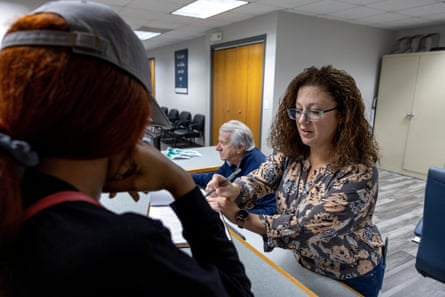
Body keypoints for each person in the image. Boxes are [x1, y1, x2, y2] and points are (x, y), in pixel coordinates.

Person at [0, 1, 253, 297]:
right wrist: (180, 183)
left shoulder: (15, 206)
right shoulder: (125, 248)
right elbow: (236, 291)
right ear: (121, 121)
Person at [206, 65, 385, 297]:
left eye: (315, 112)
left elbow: (302, 228)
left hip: (350, 274)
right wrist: (234, 188)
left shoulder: (359, 174)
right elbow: (260, 179)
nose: (302, 120)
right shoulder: (293, 153)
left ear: (342, 115)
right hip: (304, 263)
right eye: (298, 110)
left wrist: (241, 216)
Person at [192, 120, 277, 215]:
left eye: (222, 143)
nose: (217, 148)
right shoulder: (232, 160)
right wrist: (184, 177)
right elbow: (213, 177)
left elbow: (271, 210)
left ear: (240, 148)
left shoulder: (261, 168)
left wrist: (231, 211)